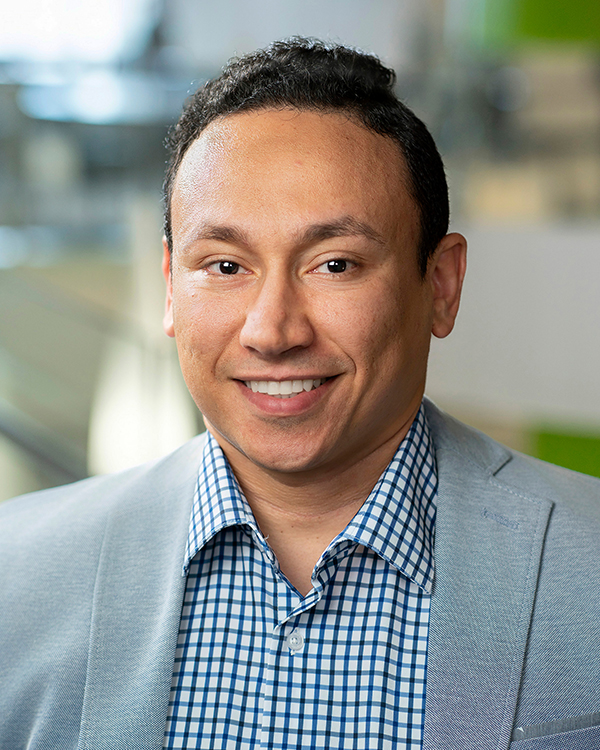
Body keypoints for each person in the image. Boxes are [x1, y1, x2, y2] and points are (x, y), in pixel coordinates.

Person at [1, 38, 599, 750]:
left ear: (441, 285)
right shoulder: (17, 573)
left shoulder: (586, 562)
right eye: (225, 266)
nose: (273, 331)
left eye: (334, 264)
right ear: (169, 288)